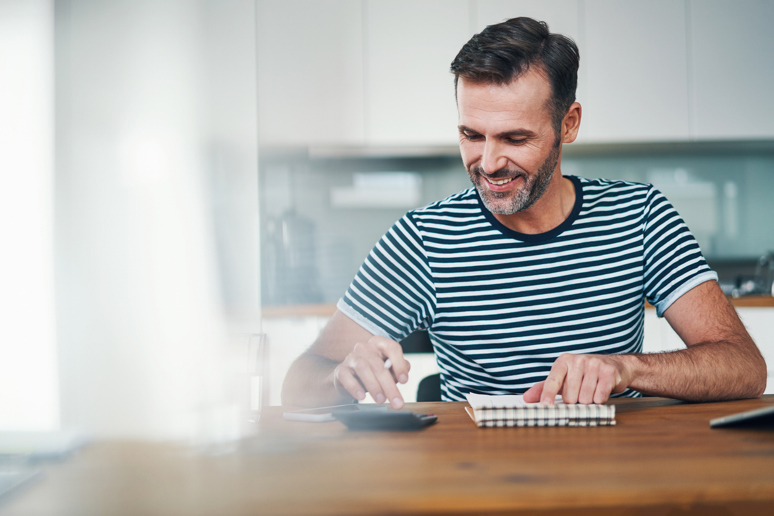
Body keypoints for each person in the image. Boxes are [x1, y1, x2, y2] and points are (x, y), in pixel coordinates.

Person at [281, 17, 767, 409]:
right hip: (474, 480)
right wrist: (338, 378)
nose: (488, 164)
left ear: (568, 124)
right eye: (472, 135)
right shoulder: (422, 240)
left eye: (515, 138)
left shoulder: (639, 216)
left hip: (615, 470)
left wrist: (626, 368)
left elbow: (744, 366)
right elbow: (299, 383)